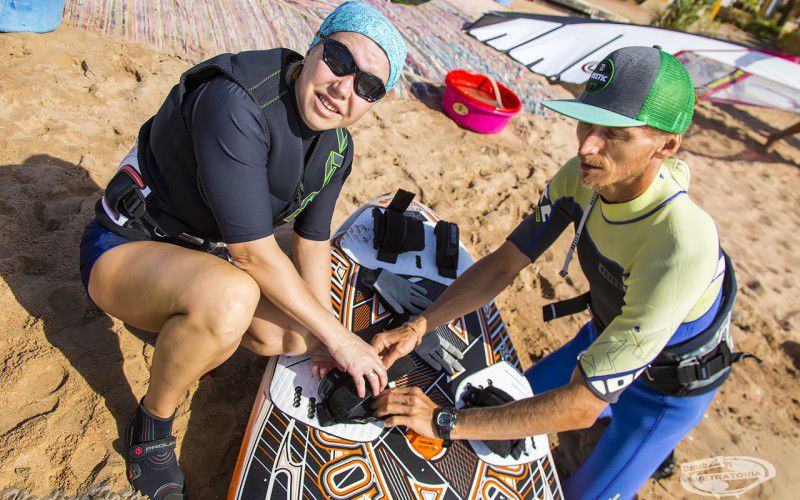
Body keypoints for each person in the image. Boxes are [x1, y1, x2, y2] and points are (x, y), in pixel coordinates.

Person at [371, 47, 754, 499]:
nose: (587, 146)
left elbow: (581, 405)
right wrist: (419, 326)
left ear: (666, 146)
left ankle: (635, 442)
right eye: (586, 122)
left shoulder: (680, 242)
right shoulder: (584, 174)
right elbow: (504, 264)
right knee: (495, 407)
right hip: (603, 338)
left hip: (662, 392)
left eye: (615, 134)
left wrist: (442, 421)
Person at [78, 2, 406, 498]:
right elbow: (251, 253)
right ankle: (152, 424)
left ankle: (184, 325)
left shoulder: (337, 146)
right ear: (313, 46)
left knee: (294, 336)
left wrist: (324, 338)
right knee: (231, 299)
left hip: (202, 252)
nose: (344, 88)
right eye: (339, 60)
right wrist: (341, 340)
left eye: (368, 86)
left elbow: (312, 239)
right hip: (127, 245)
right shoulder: (234, 101)